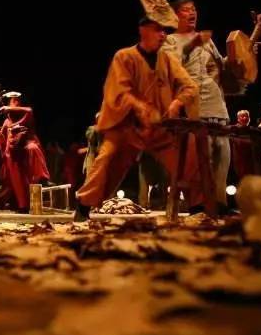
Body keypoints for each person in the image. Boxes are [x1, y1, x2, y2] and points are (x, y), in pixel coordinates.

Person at [74, 17, 202, 221]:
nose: (163, 35)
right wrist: (139, 106)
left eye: (165, 31)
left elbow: (190, 86)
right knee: (107, 159)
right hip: (128, 127)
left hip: (160, 128)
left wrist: (177, 102)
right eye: (158, 30)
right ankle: (83, 205)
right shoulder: (124, 57)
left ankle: (198, 207)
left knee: (188, 155)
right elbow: (118, 91)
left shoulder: (167, 59)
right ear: (144, 31)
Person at [161, 0, 256, 213]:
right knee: (199, 160)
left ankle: (220, 203)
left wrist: (246, 50)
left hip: (217, 106)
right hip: (194, 107)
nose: (192, 13)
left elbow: (223, 68)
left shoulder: (207, 41)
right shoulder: (170, 41)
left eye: (194, 9)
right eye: (185, 10)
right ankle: (199, 206)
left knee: (222, 158)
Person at [0, 91, 51, 213]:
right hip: (13, 153)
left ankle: (42, 179)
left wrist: (8, 108)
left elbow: (29, 110)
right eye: (13, 101)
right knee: (17, 179)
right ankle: (22, 205)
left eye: (17, 100)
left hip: (26, 149)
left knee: (33, 149)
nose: (16, 103)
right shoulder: (7, 121)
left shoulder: (26, 115)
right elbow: (3, 140)